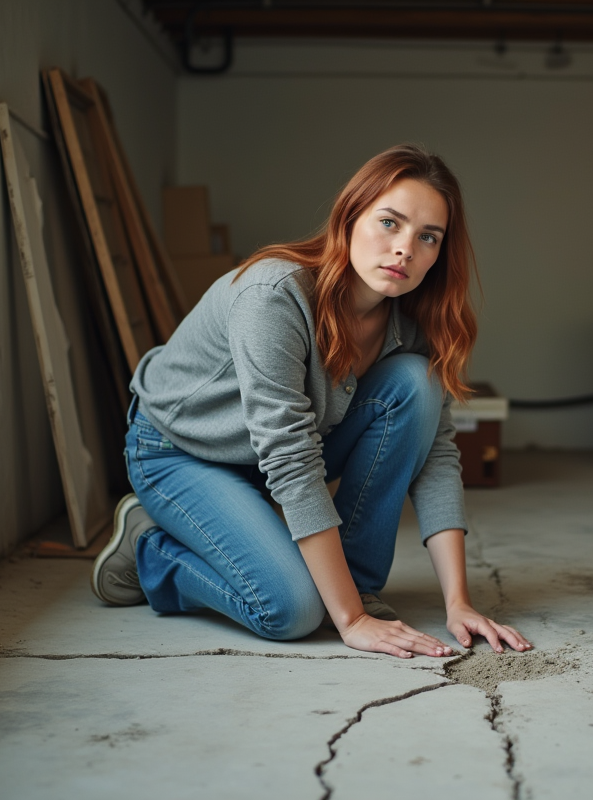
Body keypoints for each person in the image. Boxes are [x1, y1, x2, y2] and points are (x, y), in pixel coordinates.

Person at [90, 144, 531, 659]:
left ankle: (350, 583)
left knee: (417, 383)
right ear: (349, 218)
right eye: (390, 222)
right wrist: (351, 620)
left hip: (269, 458)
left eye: (427, 237)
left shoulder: (409, 325)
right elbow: (290, 455)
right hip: (181, 451)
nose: (405, 248)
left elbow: (435, 455)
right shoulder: (273, 295)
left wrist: (458, 602)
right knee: (292, 611)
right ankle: (149, 548)